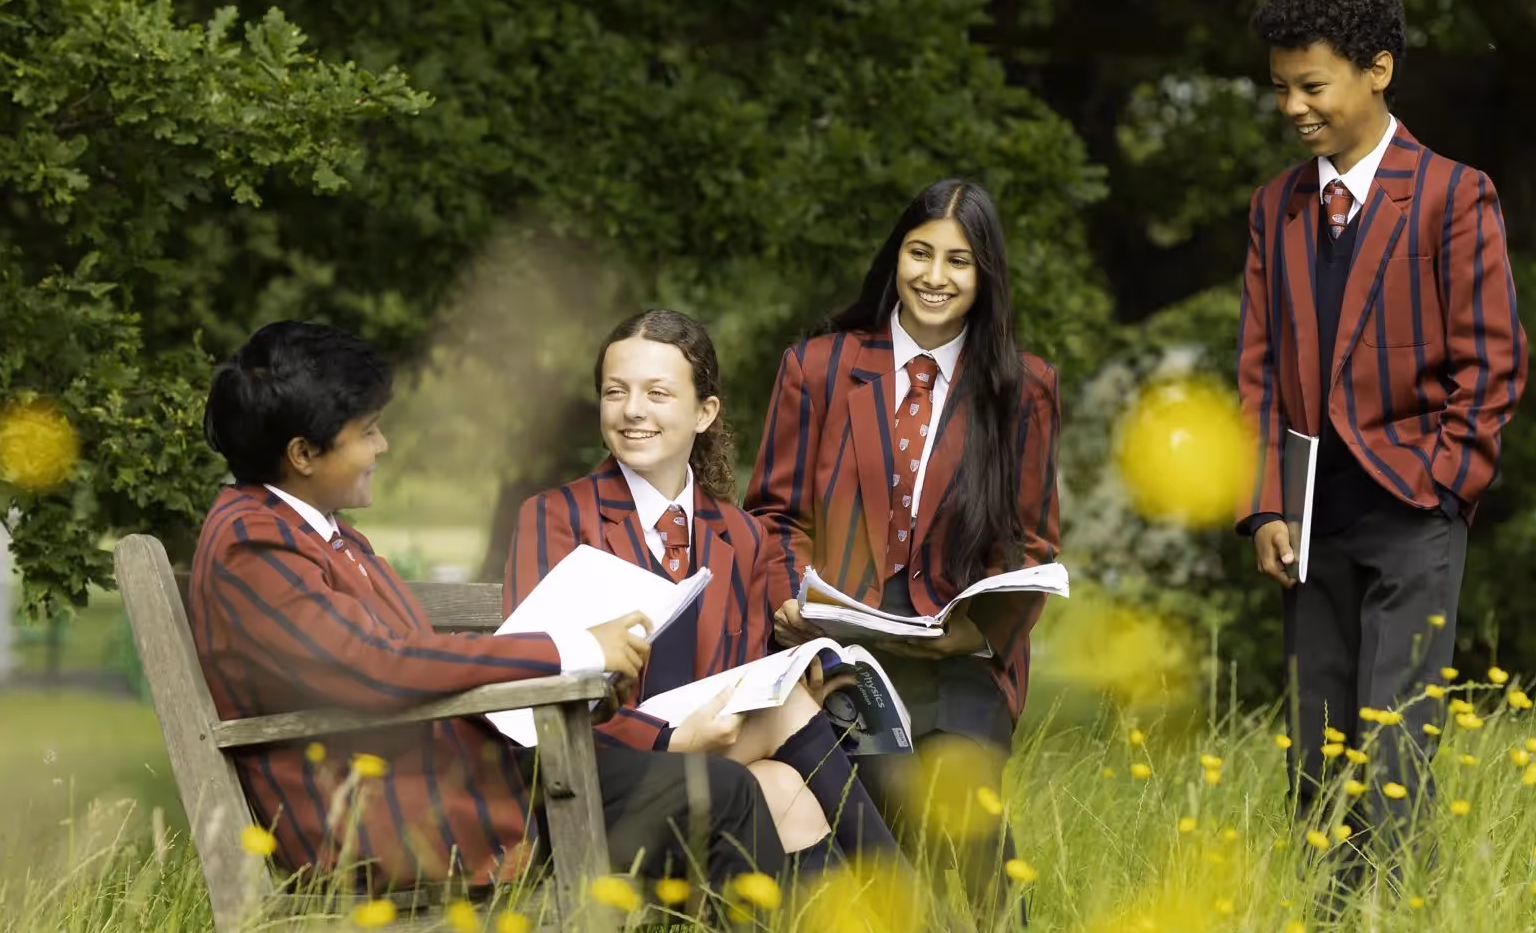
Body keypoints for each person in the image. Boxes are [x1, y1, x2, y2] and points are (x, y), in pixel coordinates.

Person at [189, 320, 784, 896]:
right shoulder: (255, 542)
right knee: (721, 795)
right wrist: (573, 648)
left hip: (453, 782)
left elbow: (394, 658)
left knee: (723, 790)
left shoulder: (316, 532)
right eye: (367, 431)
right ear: (302, 453)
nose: (383, 446)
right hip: (397, 819)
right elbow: (373, 664)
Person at [1236, 0, 1528, 885]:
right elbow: (1259, 369)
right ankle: (1328, 913)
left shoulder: (1453, 195)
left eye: (1311, 85)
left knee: (1394, 754)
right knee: (1315, 756)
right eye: (1280, 87)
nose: (1293, 107)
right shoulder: (1274, 209)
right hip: (1308, 526)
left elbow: (1492, 364)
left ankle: (1398, 913)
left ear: (1378, 69)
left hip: (1413, 515)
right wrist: (1265, 506)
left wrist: (1445, 487)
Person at [746, 178, 1063, 925]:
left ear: (984, 275)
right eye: (920, 253)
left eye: (959, 260)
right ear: (895, 258)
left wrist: (980, 629)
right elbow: (773, 513)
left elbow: (1029, 541)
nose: (935, 276)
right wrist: (792, 596)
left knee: (970, 812)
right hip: (839, 635)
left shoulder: (1024, 387)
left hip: (957, 647)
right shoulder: (818, 368)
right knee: (890, 790)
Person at [502, 308, 903, 872]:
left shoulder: (740, 535)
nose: (632, 410)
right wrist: (673, 739)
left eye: (657, 393)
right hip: (594, 775)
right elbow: (541, 681)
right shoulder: (556, 518)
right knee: (781, 733)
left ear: (705, 412)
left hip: (719, 771)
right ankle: (912, 901)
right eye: (615, 392)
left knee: (782, 784)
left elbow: (749, 673)